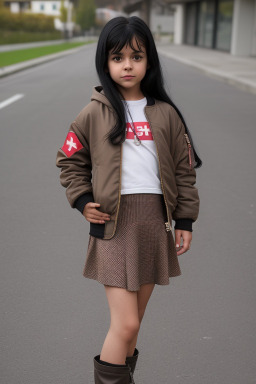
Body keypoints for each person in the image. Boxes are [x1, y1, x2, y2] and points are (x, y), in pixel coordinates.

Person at [56, 16, 201, 384]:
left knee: (134, 326)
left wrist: (184, 220)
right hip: (113, 225)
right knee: (126, 324)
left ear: (148, 61)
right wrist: (82, 199)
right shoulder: (94, 112)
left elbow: (184, 172)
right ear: (105, 63)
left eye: (136, 57)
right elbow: (70, 161)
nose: (127, 65)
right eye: (117, 57)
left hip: (153, 224)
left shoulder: (166, 114)